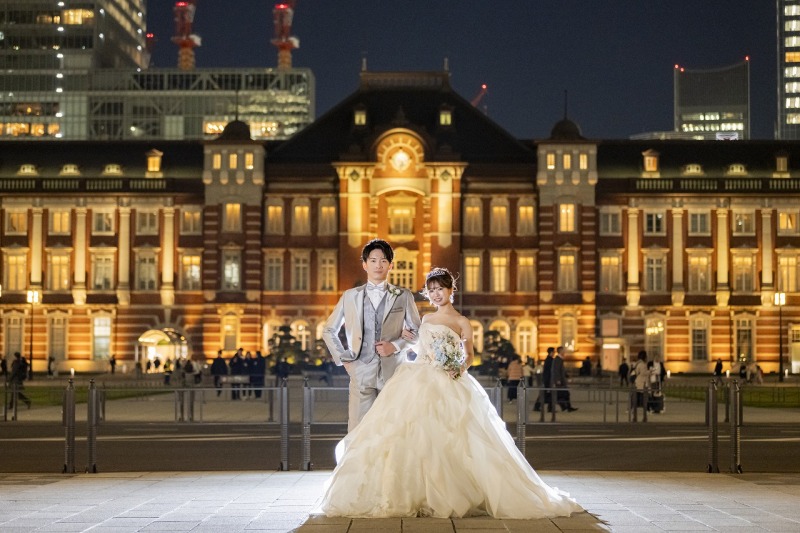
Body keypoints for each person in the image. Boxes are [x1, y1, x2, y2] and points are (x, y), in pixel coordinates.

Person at [320, 267, 582, 519]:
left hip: (447, 379)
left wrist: (456, 368)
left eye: (440, 289)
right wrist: (405, 342)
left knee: (452, 437)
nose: (435, 294)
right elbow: (418, 349)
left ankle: (450, 492)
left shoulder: (461, 322)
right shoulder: (425, 318)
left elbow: (469, 357)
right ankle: (415, 491)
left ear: (450, 290)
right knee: (411, 436)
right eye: (431, 290)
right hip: (418, 376)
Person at [322, 239, 421, 432]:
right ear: (365, 264)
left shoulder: (403, 295)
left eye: (383, 261)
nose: (378, 265)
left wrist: (396, 345)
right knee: (358, 430)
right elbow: (328, 330)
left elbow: (418, 333)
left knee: (393, 430)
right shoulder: (350, 296)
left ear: (391, 265)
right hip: (360, 370)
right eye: (373, 260)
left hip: (393, 372)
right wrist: (344, 360)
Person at [552, 346, 578, 412]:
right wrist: (558, 380)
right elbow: (556, 370)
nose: (565, 352)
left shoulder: (560, 359)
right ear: (560, 351)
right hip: (560, 381)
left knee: (563, 394)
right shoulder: (558, 359)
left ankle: (566, 407)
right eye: (563, 350)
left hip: (561, 380)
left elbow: (560, 370)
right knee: (564, 394)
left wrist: (566, 375)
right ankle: (566, 407)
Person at [533, 347, 555, 412]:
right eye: (553, 352)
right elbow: (549, 371)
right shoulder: (550, 360)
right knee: (545, 394)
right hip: (548, 379)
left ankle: (548, 407)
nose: (554, 353)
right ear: (551, 352)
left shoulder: (548, 359)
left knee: (547, 394)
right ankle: (539, 406)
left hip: (547, 379)